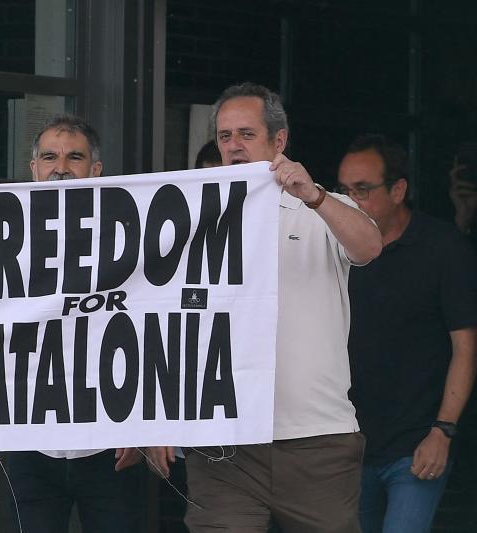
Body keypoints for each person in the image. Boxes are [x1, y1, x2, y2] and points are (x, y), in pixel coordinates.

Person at [147, 82, 382, 532]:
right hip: (223, 440)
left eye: (246, 134)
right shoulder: (191, 218)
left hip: (316, 439)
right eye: (225, 136)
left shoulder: (324, 207)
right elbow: (165, 318)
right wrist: (160, 416)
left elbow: (370, 246)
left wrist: (314, 196)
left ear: (279, 140)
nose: (234, 145)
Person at [0, 114, 147, 533]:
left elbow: (156, 327)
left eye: (74, 157)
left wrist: (146, 426)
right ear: (34, 168)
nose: (61, 167)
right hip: (29, 444)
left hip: (112, 442)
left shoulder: (130, 236)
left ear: (95, 169)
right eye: (49, 157)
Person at [338, 134, 477, 532]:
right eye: (343, 191)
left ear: (398, 190)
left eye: (362, 190)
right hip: (349, 444)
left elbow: (466, 347)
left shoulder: (443, 248)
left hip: (417, 443)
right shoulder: (334, 248)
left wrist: (443, 431)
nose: (350, 201)